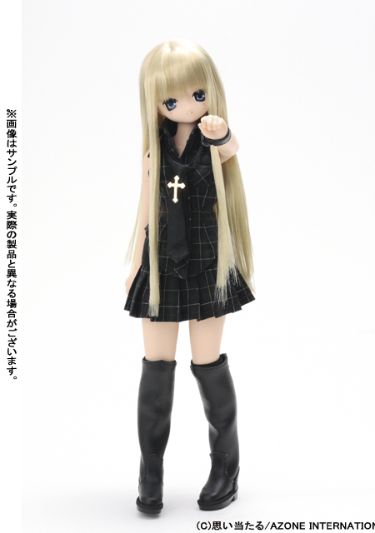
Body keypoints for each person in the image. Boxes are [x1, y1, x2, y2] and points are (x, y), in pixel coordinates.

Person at [124, 39, 256, 514]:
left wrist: (220, 133)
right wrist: (136, 263)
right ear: (156, 101)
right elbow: (146, 208)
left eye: (197, 94)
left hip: (206, 261)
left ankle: (226, 467)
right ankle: (151, 471)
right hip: (161, 264)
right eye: (171, 98)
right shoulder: (154, 151)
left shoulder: (211, 140)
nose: (185, 105)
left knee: (207, 361)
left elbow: (231, 148)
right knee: (156, 365)